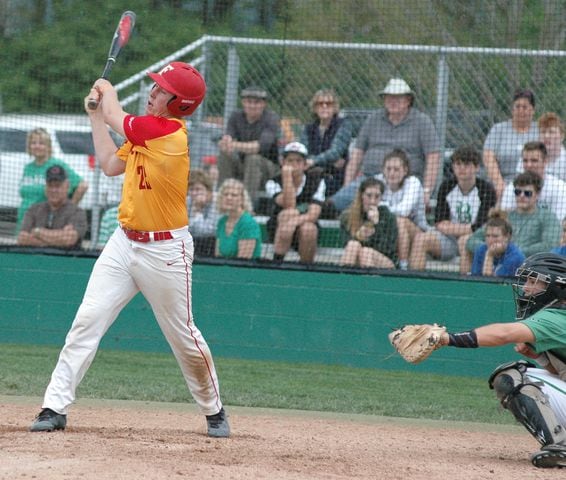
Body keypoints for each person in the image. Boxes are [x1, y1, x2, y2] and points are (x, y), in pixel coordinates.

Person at [29, 62, 230, 438]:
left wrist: (107, 90)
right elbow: (108, 164)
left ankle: (213, 409)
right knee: (87, 320)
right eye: (155, 87)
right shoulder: (145, 133)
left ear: (180, 103)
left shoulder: (168, 134)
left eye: (161, 89)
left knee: (183, 336)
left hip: (165, 252)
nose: (153, 92)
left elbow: (115, 113)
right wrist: (95, 117)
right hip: (124, 243)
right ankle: (54, 406)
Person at [430, 253, 566, 469]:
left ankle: (561, 447)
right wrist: (539, 356)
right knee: (517, 375)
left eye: (533, 282)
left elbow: (504, 333)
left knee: (512, 378)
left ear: (556, 288)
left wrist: (448, 339)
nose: (525, 288)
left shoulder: (555, 317)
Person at [331, 78, 440, 212]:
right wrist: (347, 185)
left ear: (408, 100)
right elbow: (357, 155)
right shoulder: (373, 119)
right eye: (389, 98)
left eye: (398, 98)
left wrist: (426, 191)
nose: (393, 101)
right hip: (369, 180)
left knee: (394, 214)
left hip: (404, 184)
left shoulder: (422, 122)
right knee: (334, 205)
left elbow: (433, 158)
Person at [409, 146, 496, 272]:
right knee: (420, 239)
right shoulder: (446, 186)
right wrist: (468, 227)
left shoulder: (487, 190)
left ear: (476, 167)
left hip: (474, 238)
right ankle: (414, 284)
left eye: (466, 164)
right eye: (458, 164)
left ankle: (465, 286)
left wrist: (456, 228)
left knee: (464, 242)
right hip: (448, 240)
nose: (461, 168)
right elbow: (440, 223)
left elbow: (482, 226)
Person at [466, 171, 561, 267]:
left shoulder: (548, 217)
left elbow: (549, 246)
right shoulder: (504, 216)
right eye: (517, 192)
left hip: (531, 267)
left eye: (527, 193)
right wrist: (493, 248)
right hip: (498, 264)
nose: (521, 196)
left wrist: (510, 250)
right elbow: (472, 240)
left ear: (537, 194)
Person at [217, 85, 280, 203]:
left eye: (256, 102)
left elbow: (260, 147)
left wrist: (234, 145)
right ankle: (222, 199)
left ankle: (246, 204)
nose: (252, 105)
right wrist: (225, 142)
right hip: (242, 164)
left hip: (268, 168)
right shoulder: (236, 116)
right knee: (224, 155)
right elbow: (227, 138)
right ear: (243, 103)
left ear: (263, 104)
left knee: (253, 159)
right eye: (249, 102)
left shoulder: (271, 118)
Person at [265, 142, 325, 264]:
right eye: (290, 161)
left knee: (309, 228)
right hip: (279, 228)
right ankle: (277, 263)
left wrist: (293, 222)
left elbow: (313, 214)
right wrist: (287, 177)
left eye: (298, 161)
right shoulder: (273, 182)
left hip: (302, 227)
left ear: (305, 164)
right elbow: (289, 204)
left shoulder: (317, 181)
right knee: (288, 213)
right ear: (283, 162)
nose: (294, 165)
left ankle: (305, 268)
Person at [17, 127, 88, 231]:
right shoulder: (28, 168)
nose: (37, 146)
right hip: (23, 220)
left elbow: (82, 185)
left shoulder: (55, 166)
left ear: (48, 146)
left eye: (41, 143)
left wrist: (70, 208)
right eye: (33, 143)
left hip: (42, 221)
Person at [375, 149, 430, 270]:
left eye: (396, 169)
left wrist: (382, 207)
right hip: (386, 229)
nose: (391, 173)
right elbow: (369, 206)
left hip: (417, 232)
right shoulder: (378, 181)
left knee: (400, 221)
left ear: (405, 170)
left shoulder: (413, 183)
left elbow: (404, 210)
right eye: (388, 169)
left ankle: (403, 266)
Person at [483, 88, 539, 200]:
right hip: (504, 184)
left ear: (533, 110)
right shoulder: (499, 129)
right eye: (517, 107)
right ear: (512, 109)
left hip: (534, 185)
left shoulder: (539, 131)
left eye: (525, 107)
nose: (521, 110)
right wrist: (499, 183)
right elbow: (488, 156)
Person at [17, 165, 87, 249]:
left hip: (66, 260)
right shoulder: (34, 209)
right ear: (45, 187)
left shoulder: (77, 212)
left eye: (57, 186)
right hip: (35, 259)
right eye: (50, 185)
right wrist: (58, 238)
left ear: (67, 186)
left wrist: (37, 232)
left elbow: (69, 239)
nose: (53, 190)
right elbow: (22, 238)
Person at [300, 88, 353, 197]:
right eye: (320, 103)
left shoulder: (344, 125)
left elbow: (335, 152)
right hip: (311, 174)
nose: (324, 106)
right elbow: (302, 152)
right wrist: (326, 161)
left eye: (329, 104)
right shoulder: (308, 128)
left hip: (335, 176)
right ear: (315, 108)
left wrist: (313, 161)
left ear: (335, 108)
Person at [501, 141, 566, 223]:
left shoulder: (560, 188)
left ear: (545, 161)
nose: (529, 165)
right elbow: (504, 220)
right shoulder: (512, 187)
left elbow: (559, 222)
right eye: (525, 161)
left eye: (534, 161)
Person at [339, 177, 397, 269]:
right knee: (353, 245)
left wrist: (377, 226)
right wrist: (359, 236)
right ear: (362, 195)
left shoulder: (388, 216)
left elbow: (387, 249)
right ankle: (343, 281)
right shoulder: (347, 216)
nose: (373, 201)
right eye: (369, 196)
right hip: (356, 259)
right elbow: (345, 245)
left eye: (377, 196)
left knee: (366, 252)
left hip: (384, 263)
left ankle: (369, 282)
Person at [216, 178, 262, 259]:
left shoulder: (248, 223)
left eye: (234, 195)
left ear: (242, 199)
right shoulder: (222, 222)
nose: (229, 198)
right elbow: (217, 255)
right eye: (226, 194)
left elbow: (243, 261)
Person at [470, 209, 525, 277]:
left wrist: (489, 255)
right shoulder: (481, 250)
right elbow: (475, 278)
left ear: (507, 237)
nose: (490, 240)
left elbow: (493, 284)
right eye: (488, 236)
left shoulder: (516, 257)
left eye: (495, 236)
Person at [187, 169, 219, 257]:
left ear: (209, 190)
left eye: (198, 189)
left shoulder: (217, 202)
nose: (194, 193)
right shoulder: (188, 201)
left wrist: (198, 210)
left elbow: (208, 231)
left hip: (210, 246)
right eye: (191, 190)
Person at [537, 112, 566, 181]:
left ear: (562, 136)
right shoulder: (529, 156)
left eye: (551, 132)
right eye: (543, 132)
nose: (546, 136)